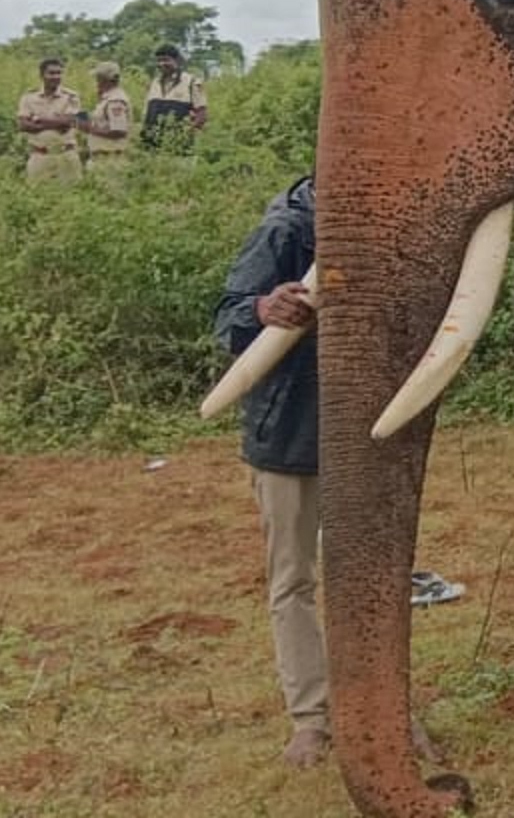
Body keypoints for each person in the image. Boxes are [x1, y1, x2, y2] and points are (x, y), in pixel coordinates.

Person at [212, 177, 456, 768]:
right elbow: (227, 318)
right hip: (289, 434)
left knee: (373, 578)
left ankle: (386, 710)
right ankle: (313, 719)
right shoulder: (287, 229)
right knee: (293, 580)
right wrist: (264, 308)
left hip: (366, 434)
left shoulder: (392, 231)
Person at [16, 57, 83, 180]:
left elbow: (68, 122)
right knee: (37, 195)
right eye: (51, 73)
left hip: (66, 155)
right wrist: (56, 122)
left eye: (59, 73)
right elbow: (23, 125)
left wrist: (37, 119)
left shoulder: (71, 96)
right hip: (40, 156)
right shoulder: (28, 97)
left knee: (72, 195)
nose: (56, 76)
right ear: (42, 75)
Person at [142, 44, 208, 150]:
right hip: (152, 147)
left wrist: (184, 135)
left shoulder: (191, 82)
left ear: (176, 61)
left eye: (166, 60)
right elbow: (146, 116)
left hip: (180, 148)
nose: (161, 64)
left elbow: (202, 116)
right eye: (158, 60)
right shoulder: (153, 84)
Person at [79, 61, 136, 167]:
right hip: (101, 157)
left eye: (98, 78)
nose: (96, 82)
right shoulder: (107, 98)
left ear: (105, 80)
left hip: (110, 159)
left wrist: (88, 128)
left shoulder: (115, 101)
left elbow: (118, 131)